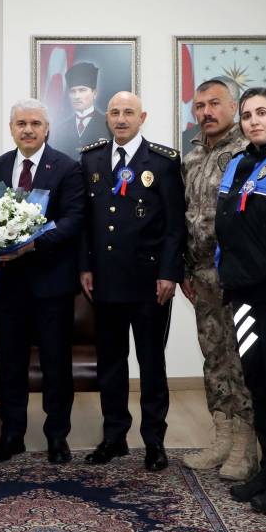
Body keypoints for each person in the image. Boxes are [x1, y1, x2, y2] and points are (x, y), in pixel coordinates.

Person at [79, 91, 186, 472]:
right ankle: (114, 437)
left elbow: (176, 225)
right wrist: (85, 266)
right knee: (111, 362)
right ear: (106, 117)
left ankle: (154, 441)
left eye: (129, 113)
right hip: (105, 281)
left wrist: (169, 273)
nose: (121, 119)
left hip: (149, 282)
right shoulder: (91, 158)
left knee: (151, 362)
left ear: (143, 116)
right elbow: (86, 224)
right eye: (115, 113)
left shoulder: (163, 161)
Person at [0, 99, 85, 464]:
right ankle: (12, 435)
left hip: (51, 284)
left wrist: (33, 244)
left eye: (35, 123)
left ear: (47, 129)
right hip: (8, 285)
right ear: (12, 128)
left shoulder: (67, 168)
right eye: (21, 123)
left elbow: (73, 220)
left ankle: (57, 436)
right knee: (10, 362)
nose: (28, 129)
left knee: (56, 364)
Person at [213, 87, 266, 513]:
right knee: (258, 384)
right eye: (247, 115)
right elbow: (225, 223)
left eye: (262, 113)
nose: (253, 121)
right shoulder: (240, 162)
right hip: (242, 293)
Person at [178, 78, 255, 479]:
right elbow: (183, 216)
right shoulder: (190, 156)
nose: (206, 112)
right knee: (214, 356)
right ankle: (222, 435)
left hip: (237, 277)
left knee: (240, 358)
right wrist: (184, 271)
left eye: (214, 104)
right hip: (201, 277)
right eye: (199, 106)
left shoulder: (249, 153)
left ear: (233, 106)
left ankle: (245, 444)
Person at [49, 62, 110, 158]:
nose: (77, 96)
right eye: (73, 91)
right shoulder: (60, 129)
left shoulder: (108, 125)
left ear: (94, 93)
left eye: (82, 90)